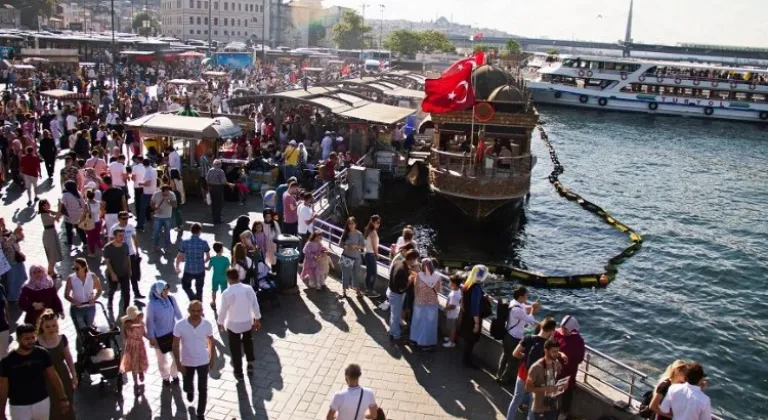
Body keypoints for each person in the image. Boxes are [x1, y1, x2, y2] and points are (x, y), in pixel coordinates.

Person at [0, 324, 71, 420]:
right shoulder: (7, 361)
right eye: (27, 338)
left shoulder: (42, 353)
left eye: (33, 337)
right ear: (18, 339)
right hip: (19, 406)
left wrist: (63, 398)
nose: (31, 341)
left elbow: (53, 376)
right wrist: (1, 412)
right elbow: (3, 388)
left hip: (42, 401)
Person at [506, 317, 559, 420]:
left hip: (523, 374)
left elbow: (515, 353)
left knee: (516, 399)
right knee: (532, 408)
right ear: (552, 331)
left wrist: (525, 357)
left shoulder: (528, 338)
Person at [172, 301, 215, 420]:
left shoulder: (207, 324)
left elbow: (211, 341)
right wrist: (178, 363)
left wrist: (212, 359)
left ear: (202, 310)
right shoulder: (180, 325)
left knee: (203, 388)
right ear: (188, 310)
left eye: (199, 311)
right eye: (193, 311)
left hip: (203, 361)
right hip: (187, 361)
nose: (196, 313)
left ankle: (200, 412)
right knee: (187, 384)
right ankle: (189, 390)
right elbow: (175, 345)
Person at [217, 268, 261, 381]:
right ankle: (250, 363)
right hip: (247, 322)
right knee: (248, 342)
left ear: (228, 279)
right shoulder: (248, 289)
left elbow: (223, 310)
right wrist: (257, 319)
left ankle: (238, 372)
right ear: (238, 277)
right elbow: (255, 304)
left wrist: (220, 322)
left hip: (233, 325)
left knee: (235, 348)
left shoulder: (227, 293)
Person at [34, 310, 77, 420]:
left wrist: (74, 375)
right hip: (46, 379)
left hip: (63, 375)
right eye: (47, 326)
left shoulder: (62, 338)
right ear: (42, 327)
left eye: (54, 325)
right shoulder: (37, 343)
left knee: (68, 404)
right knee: (52, 407)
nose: (51, 329)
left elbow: (68, 357)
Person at [498, 286, 540, 386]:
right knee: (513, 360)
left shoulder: (513, 303)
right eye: (526, 295)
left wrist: (532, 306)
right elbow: (531, 320)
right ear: (521, 297)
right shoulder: (518, 310)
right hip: (514, 338)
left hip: (507, 334)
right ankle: (505, 379)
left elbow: (525, 308)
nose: (527, 297)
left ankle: (499, 374)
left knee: (505, 356)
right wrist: (534, 308)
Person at [146, 280, 182, 386]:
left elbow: (179, 315)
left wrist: (185, 327)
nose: (166, 291)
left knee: (177, 357)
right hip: (159, 337)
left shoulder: (171, 299)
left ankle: (174, 374)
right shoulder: (152, 305)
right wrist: (151, 337)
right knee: (162, 360)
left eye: (167, 289)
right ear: (157, 291)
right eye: (163, 290)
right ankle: (165, 377)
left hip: (173, 334)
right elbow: (150, 322)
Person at [525, 338, 566, 420]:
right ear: (546, 351)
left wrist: (562, 386)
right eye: (554, 352)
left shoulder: (556, 363)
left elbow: (555, 378)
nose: (556, 354)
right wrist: (546, 388)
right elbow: (527, 388)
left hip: (552, 405)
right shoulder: (536, 367)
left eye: (558, 351)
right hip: (540, 408)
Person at [553, 315, 585, 420]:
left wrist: (569, 360)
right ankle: (551, 409)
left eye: (565, 329)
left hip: (568, 372)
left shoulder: (578, 340)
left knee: (567, 393)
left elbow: (580, 358)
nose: (563, 330)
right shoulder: (556, 333)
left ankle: (564, 412)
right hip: (553, 369)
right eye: (562, 327)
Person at [460, 265, 490, 369]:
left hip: (466, 317)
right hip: (472, 320)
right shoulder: (476, 288)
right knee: (471, 341)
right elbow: (475, 307)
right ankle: (467, 362)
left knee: (467, 341)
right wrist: (477, 324)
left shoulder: (467, 284)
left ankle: (465, 359)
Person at [109, 211, 143, 299]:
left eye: (127, 218)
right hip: (119, 256)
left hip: (130, 253)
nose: (126, 220)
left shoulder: (130, 227)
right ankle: (123, 292)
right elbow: (110, 242)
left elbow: (134, 239)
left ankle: (137, 293)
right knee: (123, 275)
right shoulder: (114, 228)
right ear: (119, 219)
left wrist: (137, 251)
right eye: (123, 218)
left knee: (133, 274)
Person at [410, 258, 441, 350]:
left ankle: (415, 339)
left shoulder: (419, 275)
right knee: (430, 323)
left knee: (417, 321)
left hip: (420, 302)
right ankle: (427, 343)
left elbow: (416, 289)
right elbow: (438, 290)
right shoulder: (438, 276)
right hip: (432, 303)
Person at [64, 258, 102, 332]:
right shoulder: (71, 279)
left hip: (90, 308)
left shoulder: (92, 277)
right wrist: (74, 301)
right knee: (82, 331)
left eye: (77, 268)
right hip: (77, 309)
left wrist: (94, 298)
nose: (75, 271)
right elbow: (66, 294)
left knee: (90, 328)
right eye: (74, 268)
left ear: (84, 267)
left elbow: (99, 290)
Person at [388, 249, 418, 342]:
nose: (416, 262)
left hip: (392, 292)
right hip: (396, 295)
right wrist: (411, 279)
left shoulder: (398, 262)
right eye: (415, 259)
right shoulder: (403, 270)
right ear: (412, 259)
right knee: (396, 317)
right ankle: (396, 336)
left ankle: (392, 332)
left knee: (393, 315)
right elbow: (402, 288)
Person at [175, 223, 210, 302]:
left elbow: (179, 256)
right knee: (199, 289)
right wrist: (202, 262)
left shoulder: (185, 242)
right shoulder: (204, 243)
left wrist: (177, 266)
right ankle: (199, 305)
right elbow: (208, 257)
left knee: (185, 286)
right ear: (200, 231)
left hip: (188, 270)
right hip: (200, 270)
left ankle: (193, 299)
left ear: (191, 231)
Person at [120, 306, 149, 397]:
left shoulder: (141, 323)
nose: (137, 317)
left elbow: (144, 333)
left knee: (141, 361)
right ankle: (135, 384)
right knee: (134, 365)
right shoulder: (127, 325)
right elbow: (124, 336)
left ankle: (141, 372)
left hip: (140, 346)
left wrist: (151, 339)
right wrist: (127, 345)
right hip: (132, 348)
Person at [103, 227, 132, 313]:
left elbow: (128, 258)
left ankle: (126, 309)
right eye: (120, 236)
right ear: (115, 236)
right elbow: (107, 262)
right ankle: (110, 302)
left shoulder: (125, 246)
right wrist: (112, 274)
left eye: (123, 235)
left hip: (124, 273)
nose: (122, 237)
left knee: (127, 292)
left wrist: (130, 269)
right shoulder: (108, 247)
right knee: (112, 289)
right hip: (114, 273)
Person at [339, 217, 365, 299]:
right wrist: (346, 247)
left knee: (356, 275)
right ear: (348, 225)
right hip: (346, 256)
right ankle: (344, 291)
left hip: (357, 257)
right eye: (349, 224)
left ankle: (357, 290)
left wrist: (356, 246)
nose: (351, 225)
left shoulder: (359, 234)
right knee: (345, 274)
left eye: (352, 223)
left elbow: (363, 245)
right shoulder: (345, 233)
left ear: (355, 224)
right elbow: (340, 244)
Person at [38, 200, 63, 278]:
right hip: (49, 235)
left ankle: (50, 271)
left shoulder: (48, 212)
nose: (49, 205)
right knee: (52, 255)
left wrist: (59, 210)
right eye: (47, 204)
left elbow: (57, 215)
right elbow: (56, 217)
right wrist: (59, 207)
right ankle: (51, 273)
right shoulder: (44, 215)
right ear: (43, 207)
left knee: (53, 254)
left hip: (52, 233)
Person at [4, 225, 27, 303]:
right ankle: (13, 297)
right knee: (13, 280)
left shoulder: (15, 239)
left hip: (17, 262)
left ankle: (18, 294)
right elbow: (6, 246)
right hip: (12, 263)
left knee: (22, 278)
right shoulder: (10, 240)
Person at [150, 184, 177, 251]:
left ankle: (167, 247)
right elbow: (151, 203)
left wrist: (168, 201)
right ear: (161, 191)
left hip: (167, 216)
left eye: (167, 192)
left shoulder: (172, 195)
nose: (166, 194)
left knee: (167, 233)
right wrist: (156, 209)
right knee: (156, 232)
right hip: (158, 216)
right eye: (164, 193)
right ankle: (155, 246)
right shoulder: (156, 194)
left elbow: (175, 205)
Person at [60, 181, 87, 248]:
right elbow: (83, 204)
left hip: (69, 215)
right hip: (79, 214)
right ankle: (85, 243)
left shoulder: (65, 195)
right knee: (80, 230)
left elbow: (63, 206)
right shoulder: (79, 193)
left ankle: (69, 243)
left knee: (69, 229)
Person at [206, 159, 231, 225]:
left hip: (211, 188)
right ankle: (218, 219)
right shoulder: (220, 171)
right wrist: (229, 184)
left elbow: (207, 179)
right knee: (219, 204)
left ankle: (215, 219)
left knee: (213, 204)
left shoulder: (210, 170)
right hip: (218, 188)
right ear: (219, 164)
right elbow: (223, 181)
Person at [362, 215, 381, 297]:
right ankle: (370, 291)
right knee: (373, 273)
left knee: (369, 272)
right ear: (373, 222)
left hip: (366, 253)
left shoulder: (367, 230)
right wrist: (377, 254)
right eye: (377, 222)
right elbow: (374, 245)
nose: (379, 224)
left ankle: (367, 289)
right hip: (370, 254)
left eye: (379, 223)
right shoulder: (373, 232)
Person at [208, 243, 230, 309]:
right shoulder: (226, 259)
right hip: (224, 277)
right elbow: (227, 270)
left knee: (214, 290)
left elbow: (208, 268)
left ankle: (213, 302)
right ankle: (225, 303)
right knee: (224, 291)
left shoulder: (212, 259)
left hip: (215, 277)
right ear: (221, 249)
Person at [138, 158, 158, 232]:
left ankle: (140, 226)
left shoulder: (148, 171)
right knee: (155, 209)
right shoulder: (154, 170)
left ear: (143, 164)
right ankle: (158, 225)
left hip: (147, 193)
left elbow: (148, 183)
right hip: (154, 192)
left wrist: (141, 183)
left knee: (142, 210)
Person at [442, 275, 462, 348]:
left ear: (454, 284)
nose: (449, 284)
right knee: (451, 327)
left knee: (452, 328)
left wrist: (445, 309)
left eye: (450, 282)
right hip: (455, 313)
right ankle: (450, 338)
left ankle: (451, 342)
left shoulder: (454, 294)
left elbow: (452, 306)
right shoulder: (458, 290)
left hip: (452, 314)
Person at [83, 188, 102, 257]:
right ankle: (102, 248)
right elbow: (101, 212)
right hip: (98, 222)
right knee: (97, 237)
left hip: (90, 224)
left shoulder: (87, 205)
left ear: (87, 196)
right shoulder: (98, 203)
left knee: (90, 239)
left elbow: (84, 214)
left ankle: (92, 253)